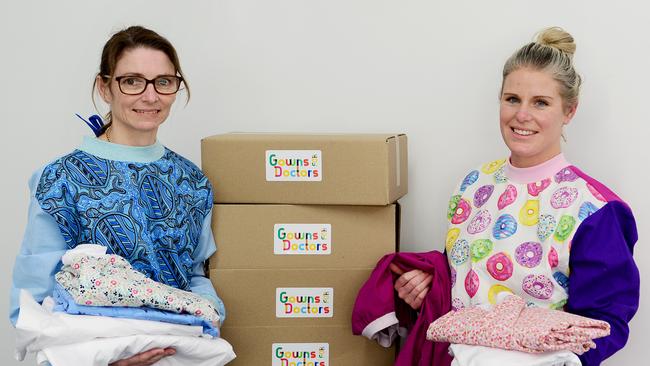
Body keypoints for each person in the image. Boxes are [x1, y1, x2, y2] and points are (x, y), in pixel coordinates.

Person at [392, 27, 639, 365]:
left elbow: (604, 322)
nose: (522, 115)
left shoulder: (594, 210)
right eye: (512, 99)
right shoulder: (474, 185)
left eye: (541, 102)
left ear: (569, 111)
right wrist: (430, 288)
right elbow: (464, 281)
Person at [9, 25, 225, 366]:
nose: (150, 96)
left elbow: (197, 273)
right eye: (132, 81)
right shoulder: (60, 180)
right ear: (104, 87)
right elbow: (34, 299)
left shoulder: (192, 181)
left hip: (182, 354)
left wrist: (208, 316)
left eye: (163, 82)